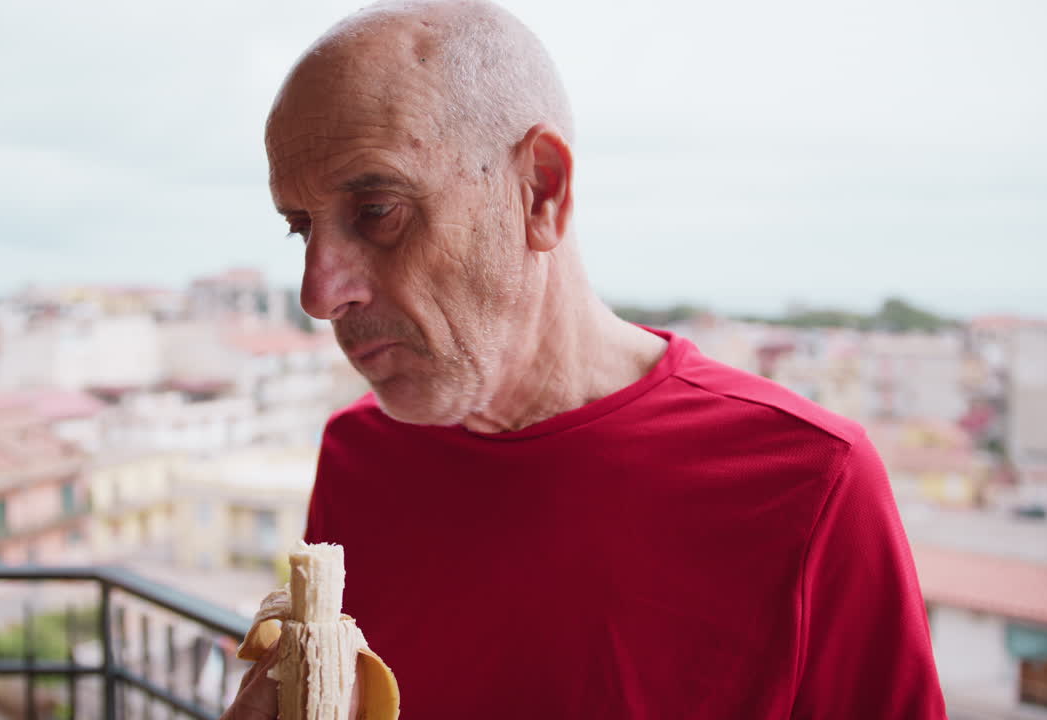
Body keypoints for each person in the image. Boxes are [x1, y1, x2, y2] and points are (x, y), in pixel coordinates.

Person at [223, 1, 947, 717]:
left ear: (541, 189)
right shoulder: (357, 456)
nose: (318, 294)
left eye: (377, 211)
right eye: (300, 227)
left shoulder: (813, 479)